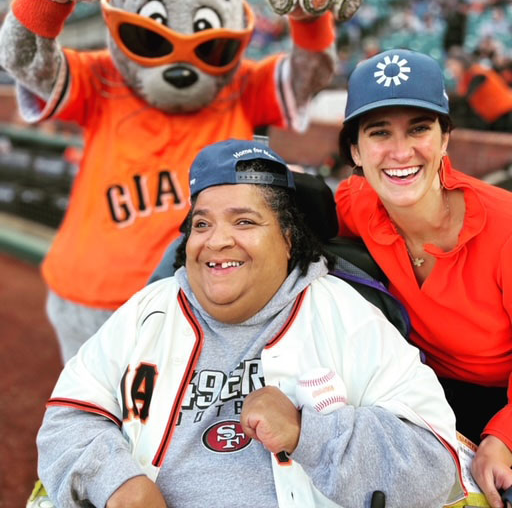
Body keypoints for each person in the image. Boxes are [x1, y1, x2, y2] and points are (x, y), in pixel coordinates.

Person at [36, 138, 464, 508]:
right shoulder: (149, 311)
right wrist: (118, 483)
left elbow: (433, 463)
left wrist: (308, 431)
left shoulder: (346, 316)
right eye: (202, 224)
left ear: (288, 237)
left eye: (244, 221)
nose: (217, 240)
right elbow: (68, 418)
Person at [335, 48, 512, 508]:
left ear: (444, 139)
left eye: (419, 128)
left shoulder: (504, 226)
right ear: (356, 150)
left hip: (501, 401)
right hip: (421, 395)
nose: (401, 151)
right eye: (379, 133)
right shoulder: (356, 205)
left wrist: (503, 437)